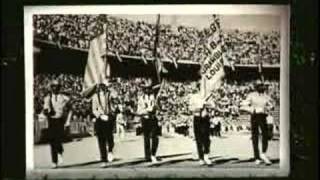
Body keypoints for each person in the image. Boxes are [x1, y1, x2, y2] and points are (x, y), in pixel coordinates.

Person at [242, 80, 273, 165]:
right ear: (256, 87)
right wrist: (253, 109)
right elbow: (243, 105)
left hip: (263, 116)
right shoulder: (251, 95)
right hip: (254, 116)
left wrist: (269, 108)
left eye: (262, 85)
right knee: (255, 137)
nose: (261, 87)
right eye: (259, 85)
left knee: (265, 135)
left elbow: (271, 106)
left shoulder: (266, 96)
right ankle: (257, 157)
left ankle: (263, 153)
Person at [43, 80, 72, 168]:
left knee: (58, 139)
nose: (55, 88)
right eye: (53, 86)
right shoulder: (47, 98)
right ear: (51, 88)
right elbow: (45, 109)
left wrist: (68, 121)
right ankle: (54, 161)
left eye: (57, 87)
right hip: (51, 120)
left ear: (59, 88)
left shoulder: (64, 98)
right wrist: (47, 111)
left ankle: (60, 152)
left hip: (60, 120)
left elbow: (70, 110)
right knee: (52, 141)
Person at [92, 80, 116, 167]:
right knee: (101, 139)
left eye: (103, 86)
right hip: (100, 119)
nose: (102, 88)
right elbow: (94, 109)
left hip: (108, 117)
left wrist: (111, 113)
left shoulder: (109, 94)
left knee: (110, 138)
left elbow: (113, 102)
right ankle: (103, 159)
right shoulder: (95, 97)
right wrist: (100, 115)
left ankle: (110, 150)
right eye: (100, 86)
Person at [136, 80, 160, 163]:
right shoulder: (141, 99)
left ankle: (153, 154)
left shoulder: (155, 97)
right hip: (145, 119)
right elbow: (139, 111)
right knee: (146, 138)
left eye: (149, 89)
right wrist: (146, 111)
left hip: (153, 119)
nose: (147, 91)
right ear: (144, 90)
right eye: (146, 89)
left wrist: (155, 108)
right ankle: (147, 156)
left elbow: (158, 108)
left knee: (155, 137)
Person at [189, 92, 212, 165]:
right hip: (197, 118)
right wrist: (198, 107)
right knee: (198, 139)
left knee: (206, 138)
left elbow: (213, 105)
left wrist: (207, 105)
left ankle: (206, 155)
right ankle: (201, 158)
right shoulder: (193, 97)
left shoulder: (208, 95)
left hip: (205, 118)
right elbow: (190, 108)